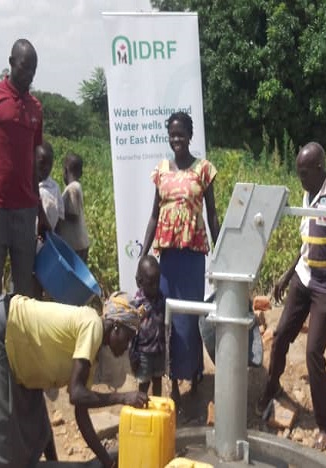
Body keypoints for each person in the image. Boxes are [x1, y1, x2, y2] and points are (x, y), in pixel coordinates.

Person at [259, 142, 326, 451]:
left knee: (313, 354)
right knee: (280, 338)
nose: (300, 179)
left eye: (304, 173)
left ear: (318, 169)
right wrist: (287, 274)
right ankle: (271, 385)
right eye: (298, 173)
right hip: (304, 278)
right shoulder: (309, 192)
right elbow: (308, 242)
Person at [0, 293, 149, 468]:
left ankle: (53, 463)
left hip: (22, 354)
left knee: (37, 427)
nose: (127, 347)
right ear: (116, 326)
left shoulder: (92, 355)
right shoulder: (92, 325)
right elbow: (76, 395)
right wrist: (123, 398)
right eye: (128, 338)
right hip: (1, 330)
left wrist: (107, 462)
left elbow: (81, 414)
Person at [141, 111, 220, 403]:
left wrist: (221, 247)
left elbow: (211, 214)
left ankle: (195, 376)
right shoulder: (162, 169)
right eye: (172, 134)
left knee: (190, 318)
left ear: (190, 135)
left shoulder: (203, 169)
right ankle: (173, 381)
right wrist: (143, 252)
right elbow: (154, 215)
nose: (176, 139)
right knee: (168, 319)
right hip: (168, 258)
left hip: (192, 255)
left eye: (181, 134)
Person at [0, 38, 50, 312]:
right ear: (11, 63)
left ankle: (18, 352)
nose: (29, 74)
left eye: (33, 69)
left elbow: (33, 162)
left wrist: (40, 210)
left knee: (23, 290)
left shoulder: (36, 108)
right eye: (24, 67)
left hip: (26, 209)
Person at [128, 255, 166, 397]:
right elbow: (132, 331)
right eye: (151, 284)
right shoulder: (137, 303)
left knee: (158, 381)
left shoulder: (161, 298)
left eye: (157, 282)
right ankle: (142, 409)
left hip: (159, 350)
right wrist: (133, 355)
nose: (155, 287)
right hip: (143, 353)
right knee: (144, 383)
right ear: (140, 282)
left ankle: (157, 412)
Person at [55, 153, 89, 262]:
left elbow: (74, 214)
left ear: (65, 170)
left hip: (75, 245)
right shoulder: (76, 186)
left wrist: (57, 212)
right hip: (79, 243)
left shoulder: (72, 188)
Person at [36, 142, 64, 231]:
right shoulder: (27, 187)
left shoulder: (54, 188)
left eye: (50, 164)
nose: (46, 168)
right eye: (42, 163)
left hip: (48, 238)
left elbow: (60, 217)